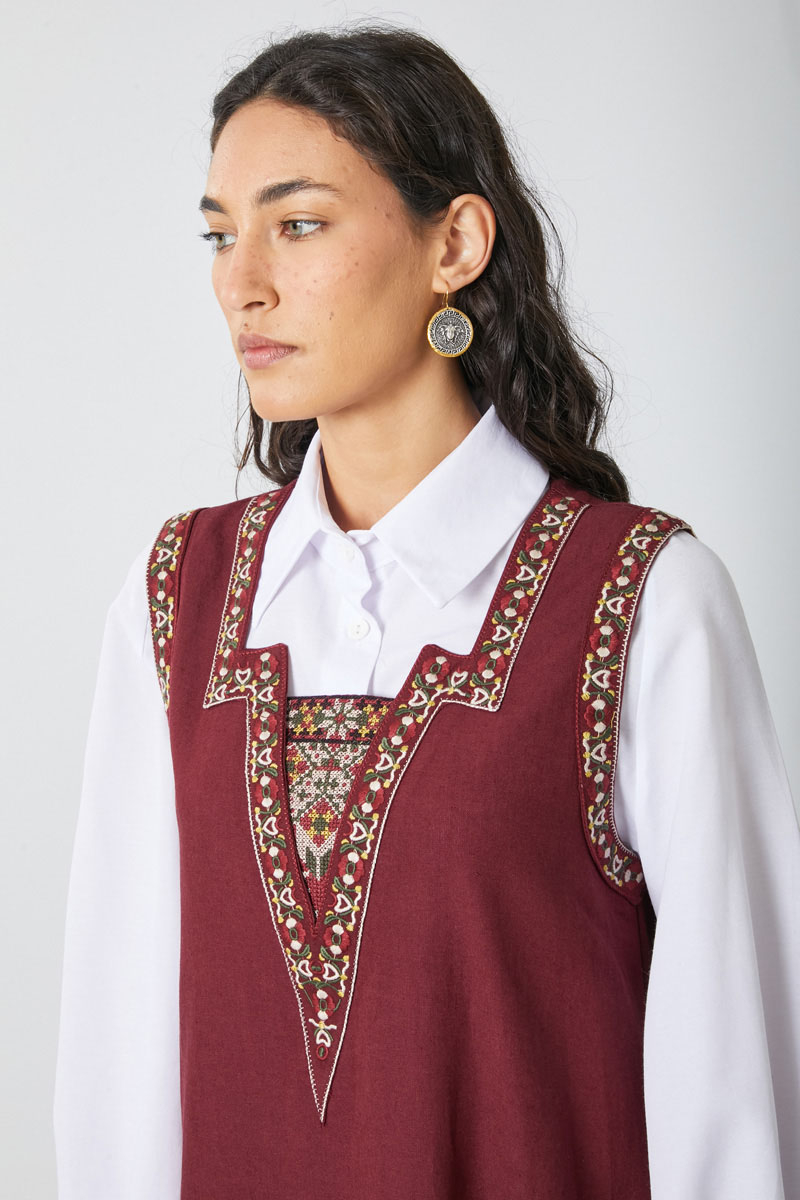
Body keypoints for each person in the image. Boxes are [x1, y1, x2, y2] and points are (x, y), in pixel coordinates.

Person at [53, 24, 800, 1200]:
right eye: (220, 233)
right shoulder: (174, 602)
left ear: (452, 244)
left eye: (298, 225)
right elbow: (120, 1067)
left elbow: (731, 1096)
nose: (242, 282)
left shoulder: (641, 600)